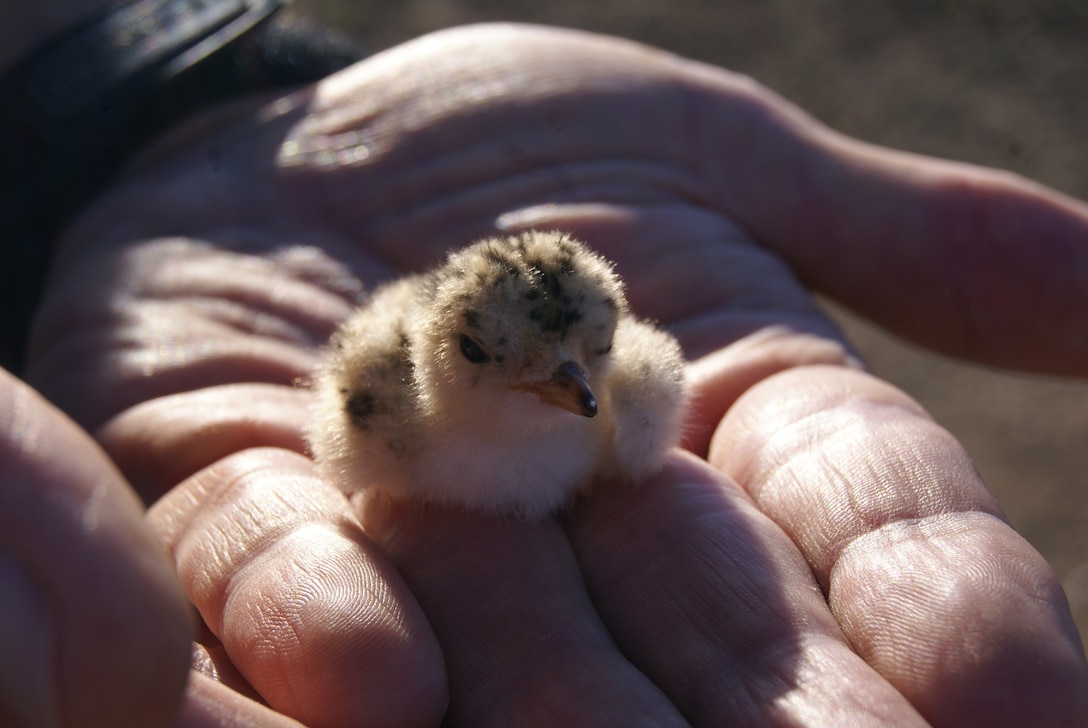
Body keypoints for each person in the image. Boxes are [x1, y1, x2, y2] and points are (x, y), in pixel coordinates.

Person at [2, 7, 1087, 727]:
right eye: (512, 362)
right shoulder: (389, 410)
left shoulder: (625, 394)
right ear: (441, 356)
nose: (575, 392)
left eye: (587, 360)